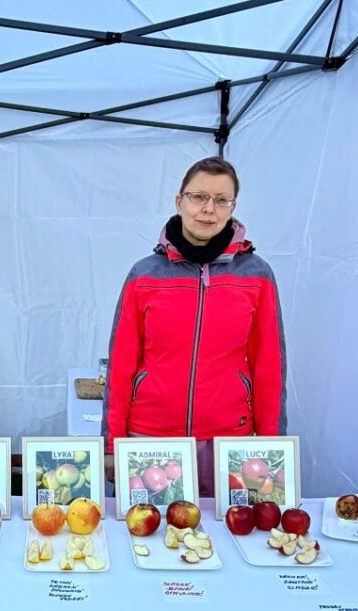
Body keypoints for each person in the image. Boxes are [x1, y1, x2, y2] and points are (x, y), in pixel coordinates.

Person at [101, 156, 286, 495]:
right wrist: (111, 444)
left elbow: (269, 367)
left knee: (230, 538)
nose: (208, 209)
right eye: (198, 197)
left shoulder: (256, 276)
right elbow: (121, 366)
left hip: (228, 442)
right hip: (150, 438)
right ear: (179, 201)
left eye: (220, 200)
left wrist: (272, 445)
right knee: (148, 541)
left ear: (233, 207)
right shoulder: (144, 275)